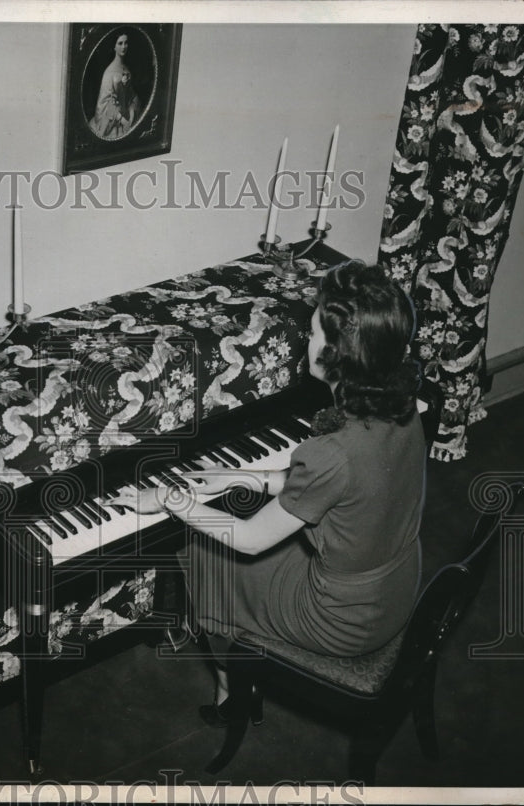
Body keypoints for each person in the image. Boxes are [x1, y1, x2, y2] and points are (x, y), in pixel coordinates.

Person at [108, 260, 426, 724]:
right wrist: (246, 477)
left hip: (344, 620)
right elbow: (343, 489)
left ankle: (233, 692)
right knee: (224, 541)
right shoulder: (403, 404)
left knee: (201, 551)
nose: (308, 337)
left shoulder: (333, 452)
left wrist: (169, 499)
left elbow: (252, 538)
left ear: (337, 355)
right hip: (396, 585)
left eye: (315, 330)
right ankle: (237, 678)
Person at [88, 32, 142, 141]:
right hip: (113, 122)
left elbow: (131, 96)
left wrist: (131, 114)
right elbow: (105, 104)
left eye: (126, 43)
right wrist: (123, 121)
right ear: (114, 46)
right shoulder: (109, 73)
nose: (123, 47)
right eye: (120, 43)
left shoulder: (126, 69)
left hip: (127, 117)